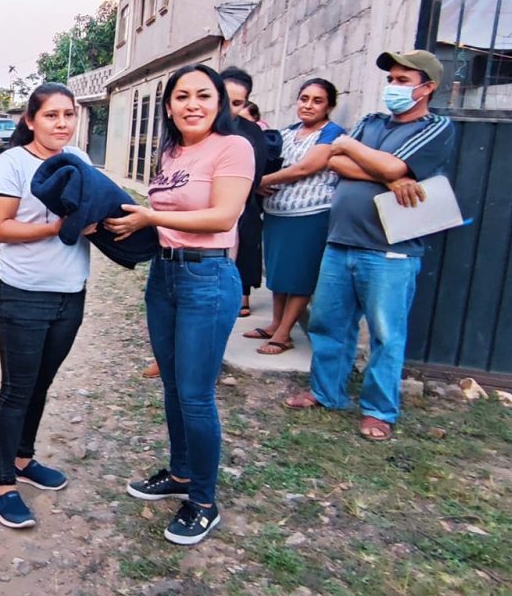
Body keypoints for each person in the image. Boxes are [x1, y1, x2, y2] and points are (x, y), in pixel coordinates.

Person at [105, 64, 254, 546]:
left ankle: (204, 502)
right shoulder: (171, 150)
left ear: (220, 103)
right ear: (168, 106)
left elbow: (224, 215)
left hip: (207, 276)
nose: (193, 104)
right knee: (172, 384)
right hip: (164, 274)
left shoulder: (234, 147)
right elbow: (162, 217)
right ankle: (182, 473)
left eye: (203, 95)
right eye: (182, 96)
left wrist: (150, 215)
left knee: (195, 393)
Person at [284, 50, 456, 442]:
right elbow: (332, 159)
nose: (392, 87)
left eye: (402, 81)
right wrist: (387, 172)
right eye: (391, 79)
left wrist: (373, 160)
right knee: (329, 324)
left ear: (426, 88)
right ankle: (326, 392)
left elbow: (389, 165)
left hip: (390, 251)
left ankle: (379, 410)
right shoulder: (372, 122)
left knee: (385, 333)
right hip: (341, 241)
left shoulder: (436, 127)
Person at [0, 83, 92, 530]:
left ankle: (24, 460)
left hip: (71, 292)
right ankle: (2, 485)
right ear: (31, 120)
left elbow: (94, 215)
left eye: (68, 114)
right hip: (23, 294)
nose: (61, 123)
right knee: (17, 389)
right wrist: (59, 228)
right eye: (51, 115)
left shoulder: (80, 159)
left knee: (42, 383)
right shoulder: (11, 163)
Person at [247, 79, 347, 354]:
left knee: (300, 275)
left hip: (310, 215)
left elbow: (306, 168)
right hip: (278, 213)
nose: (308, 105)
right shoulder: (289, 132)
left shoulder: (332, 134)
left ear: (329, 106)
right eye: (304, 98)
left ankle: (284, 333)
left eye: (317, 100)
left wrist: (259, 180)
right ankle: (275, 323)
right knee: (279, 273)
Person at [218, 67, 274, 322]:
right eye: (224, 98)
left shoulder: (251, 133)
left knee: (242, 252)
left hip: (239, 206)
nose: (229, 107)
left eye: (237, 102)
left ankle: (240, 296)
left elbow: (256, 172)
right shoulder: (194, 128)